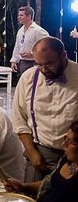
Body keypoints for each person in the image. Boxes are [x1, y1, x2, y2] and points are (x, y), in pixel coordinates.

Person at [12, 37, 78, 181]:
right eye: (38, 64)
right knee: (33, 201)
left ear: (63, 55)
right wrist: (32, 153)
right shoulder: (28, 78)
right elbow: (19, 120)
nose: (43, 69)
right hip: (39, 154)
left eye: (48, 64)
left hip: (74, 156)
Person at [4, 120, 78, 202]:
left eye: (71, 143)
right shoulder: (65, 160)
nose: (64, 145)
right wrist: (22, 187)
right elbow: (49, 183)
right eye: (65, 139)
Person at [10, 6, 48, 75]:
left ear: (29, 16)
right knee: (24, 84)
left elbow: (47, 47)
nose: (19, 17)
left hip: (36, 63)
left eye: (21, 15)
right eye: (18, 15)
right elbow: (17, 46)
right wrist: (14, 61)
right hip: (23, 62)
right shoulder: (20, 31)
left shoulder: (38, 31)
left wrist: (32, 53)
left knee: (34, 84)